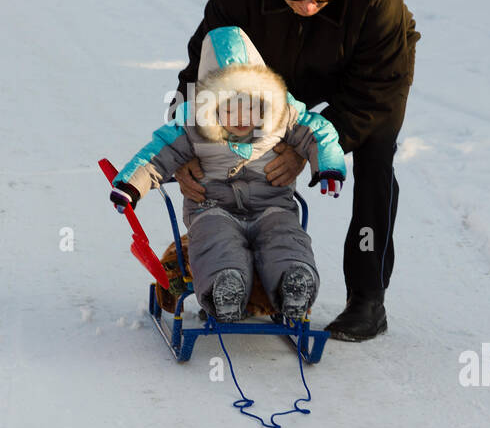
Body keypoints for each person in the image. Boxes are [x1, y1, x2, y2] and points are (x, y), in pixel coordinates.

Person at [173, 0, 418, 342]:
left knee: (376, 159)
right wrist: (187, 147)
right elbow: (204, 68)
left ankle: (367, 298)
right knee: (232, 150)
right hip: (271, 70)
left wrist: (309, 147)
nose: (307, 6)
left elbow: (376, 92)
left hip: (365, 75)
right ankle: (235, 260)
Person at [111, 26, 346, 323]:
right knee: (215, 241)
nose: (241, 119)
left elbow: (319, 133)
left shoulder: (283, 115)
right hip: (212, 208)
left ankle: (294, 284)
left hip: (272, 207)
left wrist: (328, 166)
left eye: (250, 108)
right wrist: (129, 187)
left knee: (286, 237)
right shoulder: (192, 125)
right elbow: (157, 155)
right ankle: (225, 289)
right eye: (229, 110)